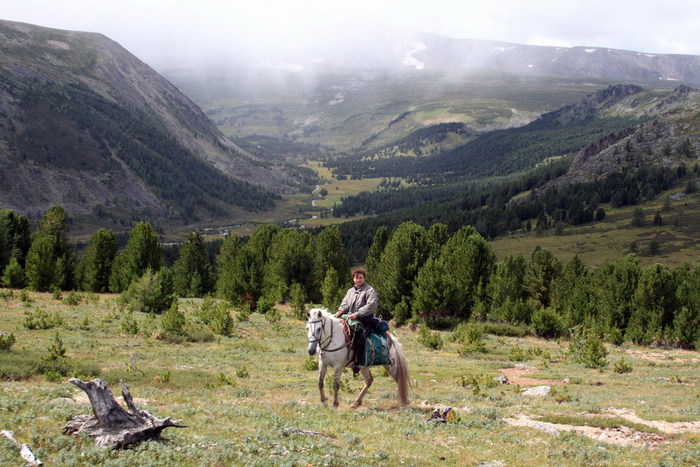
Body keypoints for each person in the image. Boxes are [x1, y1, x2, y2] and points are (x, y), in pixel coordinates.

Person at [336, 267, 378, 374]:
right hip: (350, 319)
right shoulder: (350, 291)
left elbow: (370, 305)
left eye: (360, 278)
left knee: (360, 337)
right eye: (356, 278)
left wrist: (357, 314)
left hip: (365, 321)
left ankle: (358, 363)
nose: (358, 280)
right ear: (353, 279)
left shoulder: (370, 290)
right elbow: (345, 304)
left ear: (364, 278)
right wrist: (340, 311)